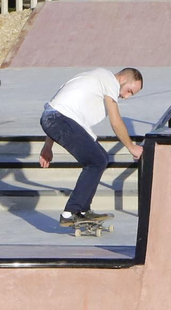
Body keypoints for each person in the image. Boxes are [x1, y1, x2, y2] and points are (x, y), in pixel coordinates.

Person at [38, 67, 144, 227]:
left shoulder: (91, 78)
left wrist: (48, 147)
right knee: (96, 161)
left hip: (57, 118)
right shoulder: (109, 80)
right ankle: (70, 213)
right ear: (122, 79)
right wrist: (131, 147)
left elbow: (57, 106)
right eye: (129, 91)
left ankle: (82, 210)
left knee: (101, 158)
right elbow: (116, 121)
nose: (126, 97)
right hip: (60, 120)